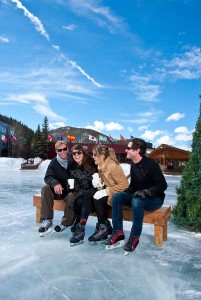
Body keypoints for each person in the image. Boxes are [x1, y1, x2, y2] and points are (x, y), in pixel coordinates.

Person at [105, 138, 168, 255]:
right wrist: (126, 191)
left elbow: (162, 185)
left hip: (154, 199)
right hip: (138, 196)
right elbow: (134, 185)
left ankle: (135, 237)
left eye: (128, 148)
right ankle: (118, 232)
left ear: (137, 150)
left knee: (136, 201)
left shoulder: (151, 165)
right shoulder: (133, 164)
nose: (126, 150)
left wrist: (147, 192)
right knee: (117, 197)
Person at [88, 145, 129, 244]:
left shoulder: (112, 166)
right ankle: (106, 225)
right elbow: (108, 183)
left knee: (97, 199)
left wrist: (105, 191)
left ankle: (103, 227)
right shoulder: (102, 166)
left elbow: (124, 185)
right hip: (112, 193)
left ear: (101, 156)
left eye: (95, 155)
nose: (93, 157)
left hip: (119, 196)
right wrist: (99, 184)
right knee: (90, 194)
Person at [38, 141, 75, 237]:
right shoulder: (54, 162)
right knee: (45, 188)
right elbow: (48, 177)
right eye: (60, 150)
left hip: (70, 190)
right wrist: (55, 184)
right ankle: (47, 220)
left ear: (67, 148)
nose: (63, 152)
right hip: (58, 190)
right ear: (56, 151)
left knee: (72, 196)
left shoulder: (74, 159)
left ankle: (66, 223)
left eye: (65, 149)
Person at [68, 145, 97, 246]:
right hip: (83, 193)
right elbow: (75, 185)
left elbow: (100, 181)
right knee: (78, 201)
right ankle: (79, 222)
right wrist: (71, 186)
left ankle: (81, 228)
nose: (76, 155)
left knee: (86, 196)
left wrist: (92, 190)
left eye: (79, 153)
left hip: (96, 191)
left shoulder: (92, 164)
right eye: (74, 153)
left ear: (83, 153)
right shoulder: (72, 167)